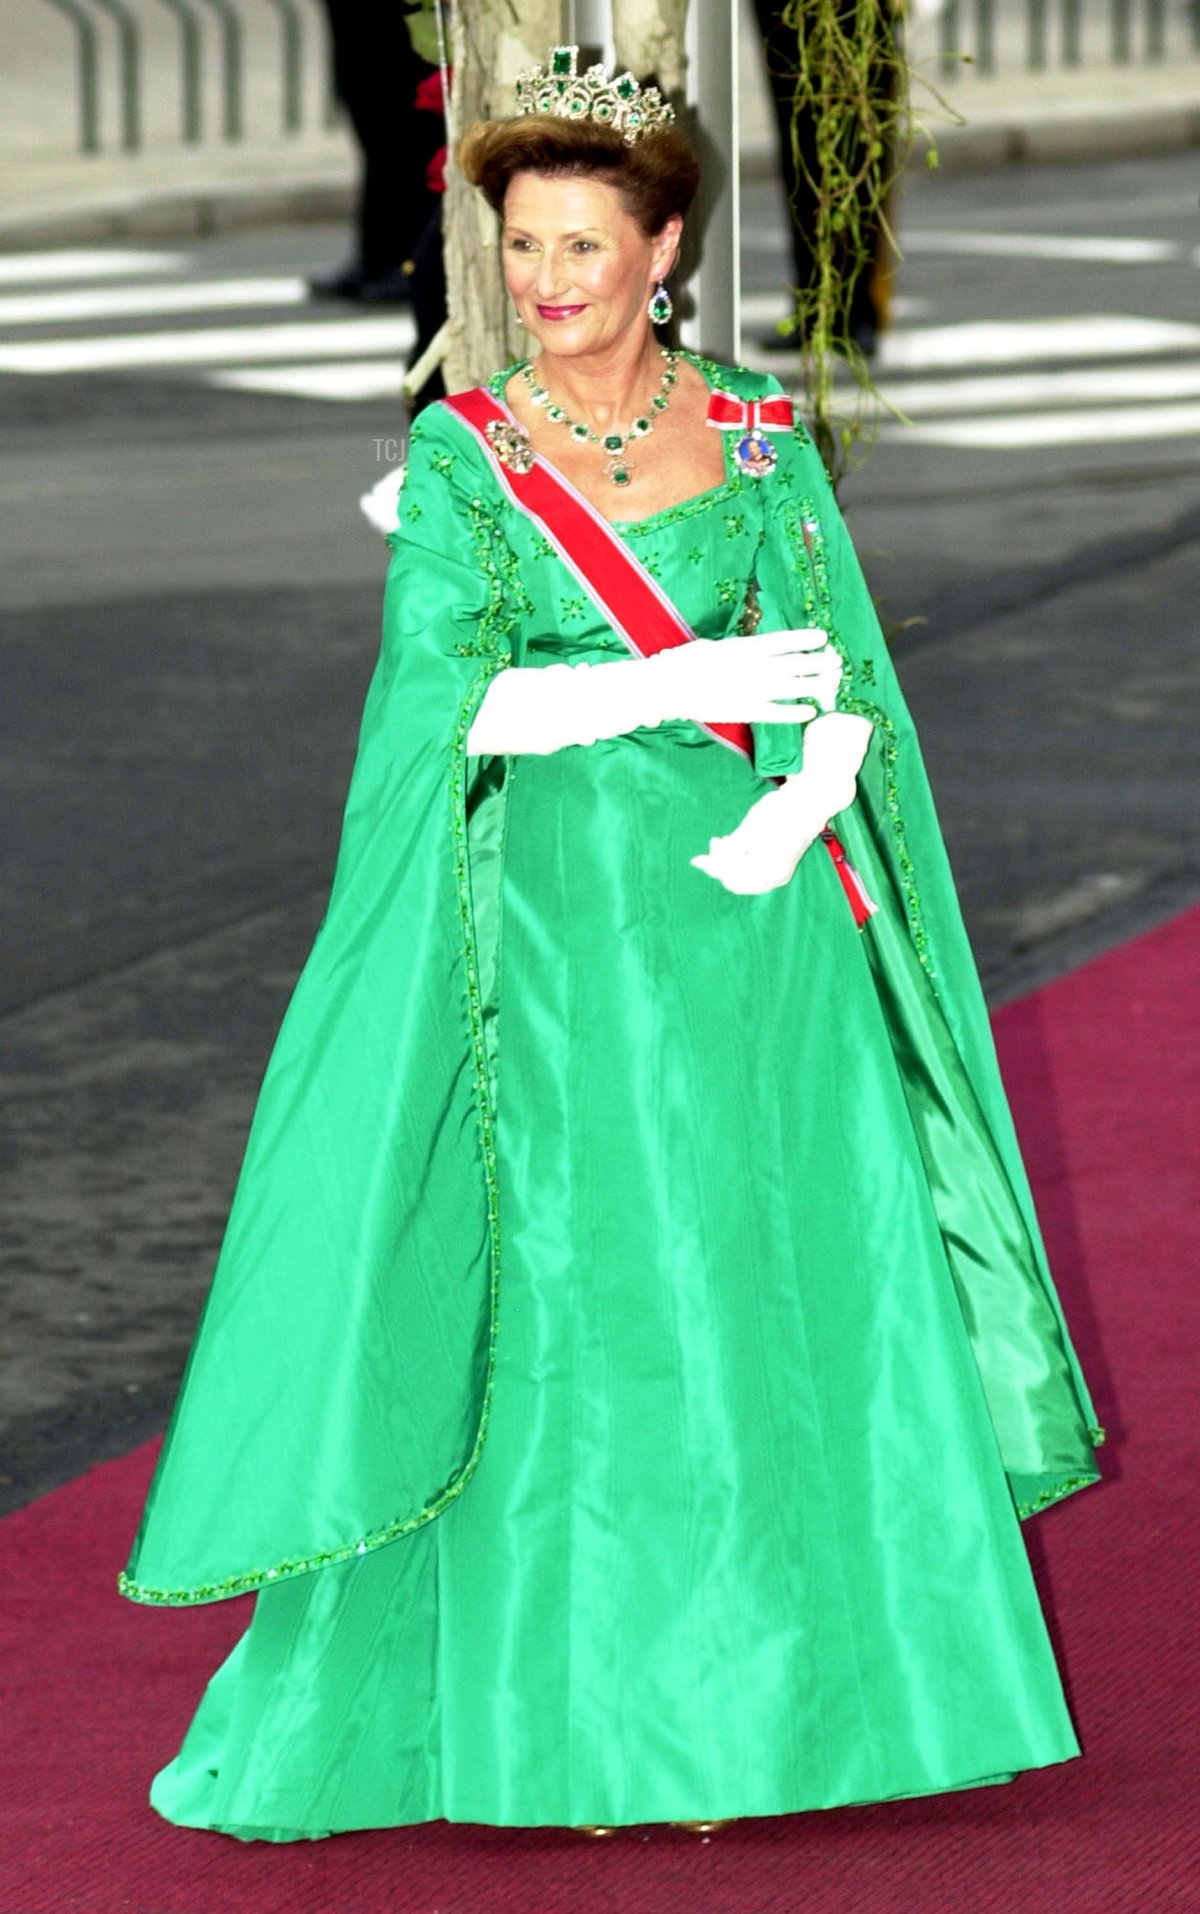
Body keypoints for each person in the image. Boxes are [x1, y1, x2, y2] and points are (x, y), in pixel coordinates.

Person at [119, 47, 1102, 1840]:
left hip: (754, 918)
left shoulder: (754, 436)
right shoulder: (464, 456)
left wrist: (803, 799)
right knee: (589, 1310)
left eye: (585, 245)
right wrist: (665, 681)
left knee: (759, 1293)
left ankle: (778, 1709)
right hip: (558, 949)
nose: (548, 284)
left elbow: (841, 674)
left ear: (667, 252)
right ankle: (577, 1719)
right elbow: (439, 714)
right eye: (522, 247)